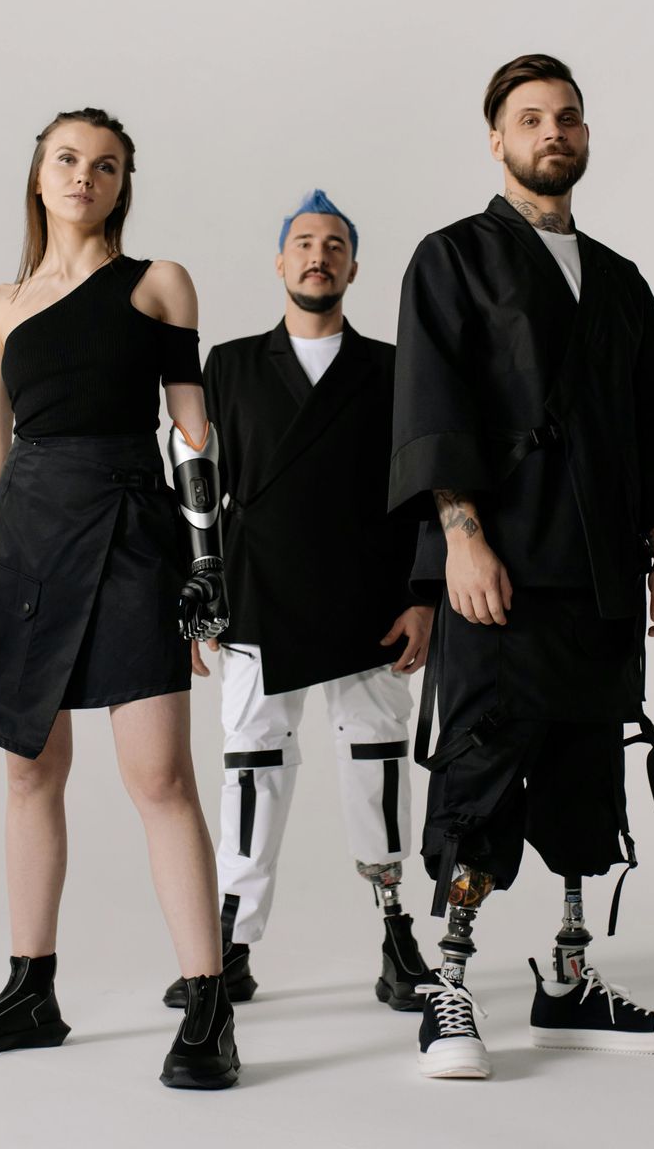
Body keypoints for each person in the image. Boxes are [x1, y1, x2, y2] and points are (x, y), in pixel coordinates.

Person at [389, 55, 654, 1079]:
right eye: (531, 117)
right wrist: (461, 533)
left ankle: (569, 981)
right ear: (496, 138)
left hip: (601, 574)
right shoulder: (451, 259)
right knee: (482, 766)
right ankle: (447, 990)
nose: (554, 131)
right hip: (502, 565)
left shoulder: (619, 280)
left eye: (568, 116)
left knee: (586, 768)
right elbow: (435, 402)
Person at [0, 107, 240, 1090]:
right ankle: (32, 989)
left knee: (160, 778)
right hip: (25, 540)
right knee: (30, 769)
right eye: (67, 159)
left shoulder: (159, 285)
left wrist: (208, 564)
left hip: (129, 534)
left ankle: (207, 1003)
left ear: (121, 185)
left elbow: (194, 432)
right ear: (37, 175)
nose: (84, 176)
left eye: (105, 165)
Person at [162, 190, 440, 1014]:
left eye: (335, 245)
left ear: (354, 266)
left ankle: (396, 934)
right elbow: (196, 480)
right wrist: (201, 594)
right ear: (281, 263)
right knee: (251, 768)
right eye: (304, 244)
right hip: (257, 591)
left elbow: (427, 489)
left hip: (370, 597)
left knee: (377, 762)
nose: (319, 256)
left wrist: (424, 599)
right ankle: (231, 944)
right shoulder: (233, 365)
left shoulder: (396, 369)